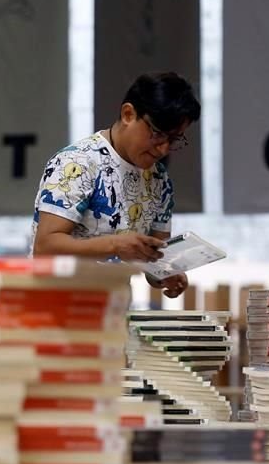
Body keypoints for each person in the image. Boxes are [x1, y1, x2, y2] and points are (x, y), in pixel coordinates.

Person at [31, 72, 201, 298]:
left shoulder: (159, 179)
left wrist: (165, 274)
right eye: (158, 134)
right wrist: (114, 245)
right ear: (128, 114)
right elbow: (45, 247)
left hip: (113, 313)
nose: (164, 149)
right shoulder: (78, 163)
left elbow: (156, 254)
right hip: (56, 309)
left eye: (175, 139)